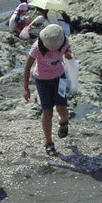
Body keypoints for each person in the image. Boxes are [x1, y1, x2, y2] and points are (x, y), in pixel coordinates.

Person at [23, 24, 75, 156]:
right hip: (42, 81)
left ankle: (64, 123)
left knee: (62, 108)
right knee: (48, 111)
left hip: (61, 78)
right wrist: (26, 88)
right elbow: (27, 68)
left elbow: (68, 49)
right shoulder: (37, 48)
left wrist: (69, 54)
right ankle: (49, 143)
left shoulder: (63, 41)